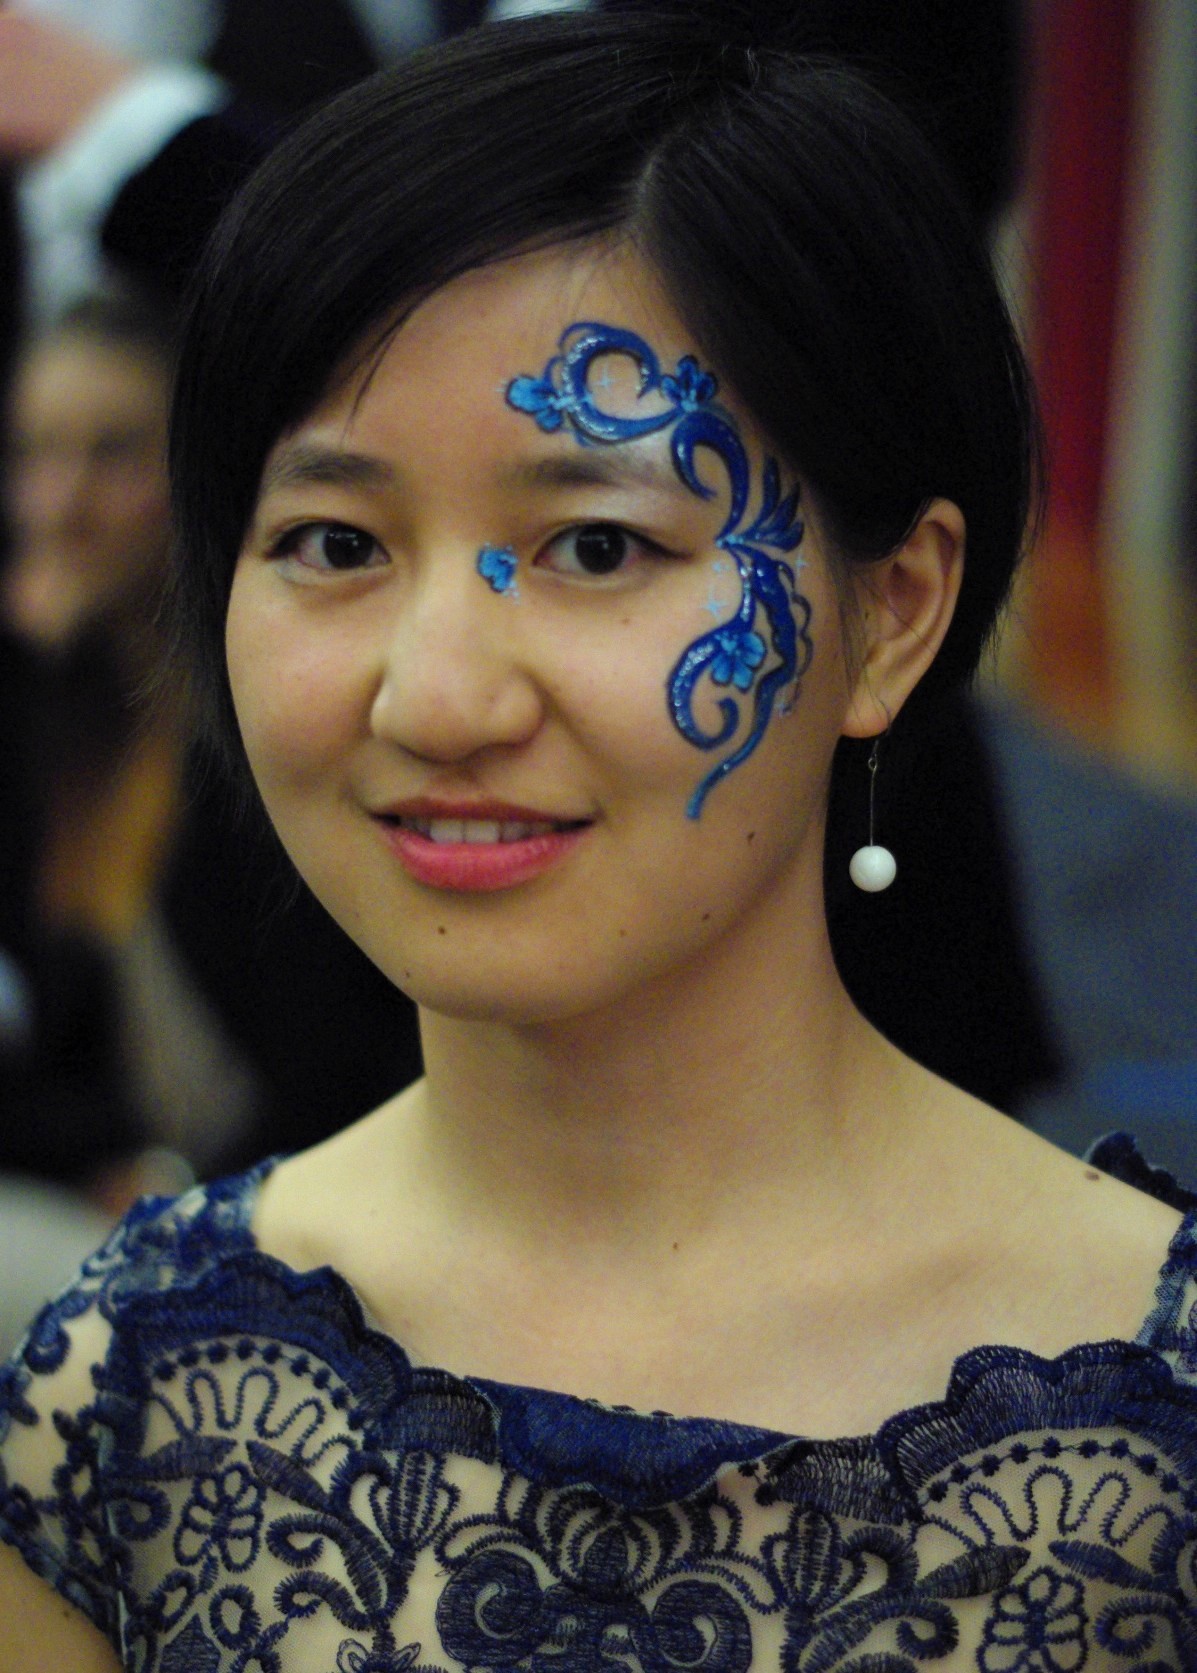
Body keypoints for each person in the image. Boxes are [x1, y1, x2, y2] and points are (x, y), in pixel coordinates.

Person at [1, 11, 1194, 1669]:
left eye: (595, 546)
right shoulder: (128, 1382)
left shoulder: (1151, 1428)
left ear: (893, 612)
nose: (435, 695)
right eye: (335, 538)